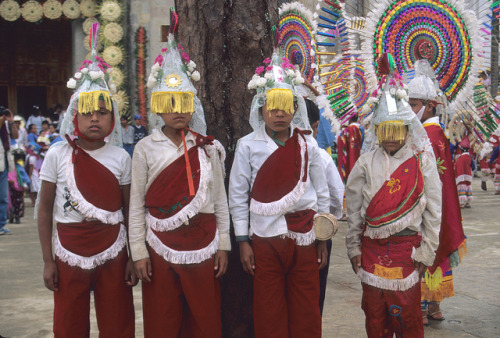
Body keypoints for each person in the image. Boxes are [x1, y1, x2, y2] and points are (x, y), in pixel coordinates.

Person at [129, 11, 230, 336]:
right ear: (158, 107)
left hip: (204, 241)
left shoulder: (208, 147)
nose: (177, 111)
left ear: (192, 106)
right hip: (158, 244)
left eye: (183, 103)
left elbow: (220, 200)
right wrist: (139, 252)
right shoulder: (145, 147)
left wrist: (224, 245)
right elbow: (135, 206)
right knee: (162, 319)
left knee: (205, 318)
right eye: (169, 103)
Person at [36, 23, 135, 336]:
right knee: (69, 323)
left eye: (103, 112)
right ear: (74, 116)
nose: (95, 118)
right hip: (68, 247)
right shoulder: (56, 154)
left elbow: (131, 211)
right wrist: (48, 260)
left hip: (114, 249)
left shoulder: (121, 157)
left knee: (117, 321)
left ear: (113, 119)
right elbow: (44, 208)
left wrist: (133, 256)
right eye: (88, 112)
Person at [229, 46, 329, 338]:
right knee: (268, 308)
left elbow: (322, 196)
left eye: (285, 107)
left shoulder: (308, 144)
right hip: (265, 238)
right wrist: (243, 241)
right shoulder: (248, 145)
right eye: (272, 107)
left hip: (305, 235)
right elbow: (238, 196)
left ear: (295, 108)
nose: (279, 114)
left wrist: (322, 240)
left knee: (306, 306)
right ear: (261, 108)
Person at [345, 54, 441, 337]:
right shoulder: (365, 162)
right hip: (371, 250)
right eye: (384, 130)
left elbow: (434, 209)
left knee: (407, 316)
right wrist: (353, 248)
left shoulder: (421, 160)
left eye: (396, 130)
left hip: (407, 251)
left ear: (407, 128)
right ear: (377, 130)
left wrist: (427, 251)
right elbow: (353, 211)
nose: (390, 137)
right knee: (374, 316)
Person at [407, 58, 466, 324]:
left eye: (414, 105)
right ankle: (433, 305)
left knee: (423, 249)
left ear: (430, 106)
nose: (410, 109)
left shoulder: (427, 135)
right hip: (437, 204)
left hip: (425, 204)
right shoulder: (436, 133)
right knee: (434, 245)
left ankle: (421, 305)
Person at [306, 98, 345, 315]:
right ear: (316, 126)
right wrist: (332, 217)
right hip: (318, 229)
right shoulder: (322, 156)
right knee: (314, 294)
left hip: (281, 233)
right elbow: (336, 196)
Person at [0, 106, 19, 235]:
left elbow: (15, 136)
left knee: (3, 197)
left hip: (4, 163)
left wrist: (11, 121)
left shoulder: (6, 124)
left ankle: (1, 225)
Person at [454, 135, 475, 207]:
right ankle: (468, 203)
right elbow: (473, 167)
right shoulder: (469, 157)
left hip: (461, 175)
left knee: (462, 187)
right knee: (468, 186)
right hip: (468, 174)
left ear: (461, 150)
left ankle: (462, 203)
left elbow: (456, 167)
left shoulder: (460, 158)